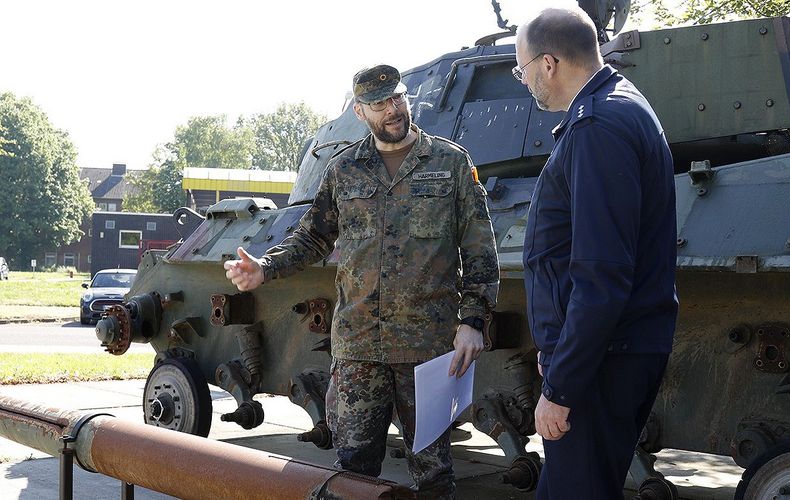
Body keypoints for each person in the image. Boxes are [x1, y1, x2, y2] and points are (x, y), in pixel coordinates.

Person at [223, 64, 499, 497]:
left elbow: (480, 248)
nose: (393, 109)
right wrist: (265, 267)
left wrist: (474, 320)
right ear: (360, 110)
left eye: (398, 98)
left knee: (433, 471)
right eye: (380, 103)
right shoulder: (344, 168)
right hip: (358, 349)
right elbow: (313, 236)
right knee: (352, 470)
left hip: (427, 349)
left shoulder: (450, 163)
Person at [516, 8, 678, 499]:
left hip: (605, 360)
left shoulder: (597, 125)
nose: (523, 81)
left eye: (521, 68)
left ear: (548, 63)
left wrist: (562, 386)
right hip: (609, 354)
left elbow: (600, 275)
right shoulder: (617, 106)